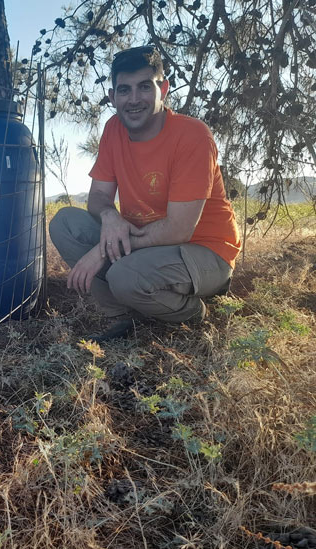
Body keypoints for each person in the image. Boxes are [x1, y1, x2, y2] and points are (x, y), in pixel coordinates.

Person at [49, 45, 241, 341]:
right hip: (146, 248)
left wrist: (101, 252)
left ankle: (193, 312)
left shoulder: (192, 136)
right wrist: (110, 217)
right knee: (65, 224)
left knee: (123, 274)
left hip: (205, 250)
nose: (134, 99)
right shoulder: (113, 129)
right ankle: (126, 315)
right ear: (112, 97)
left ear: (163, 89)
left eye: (144, 87)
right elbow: (98, 197)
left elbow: (178, 229)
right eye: (124, 90)